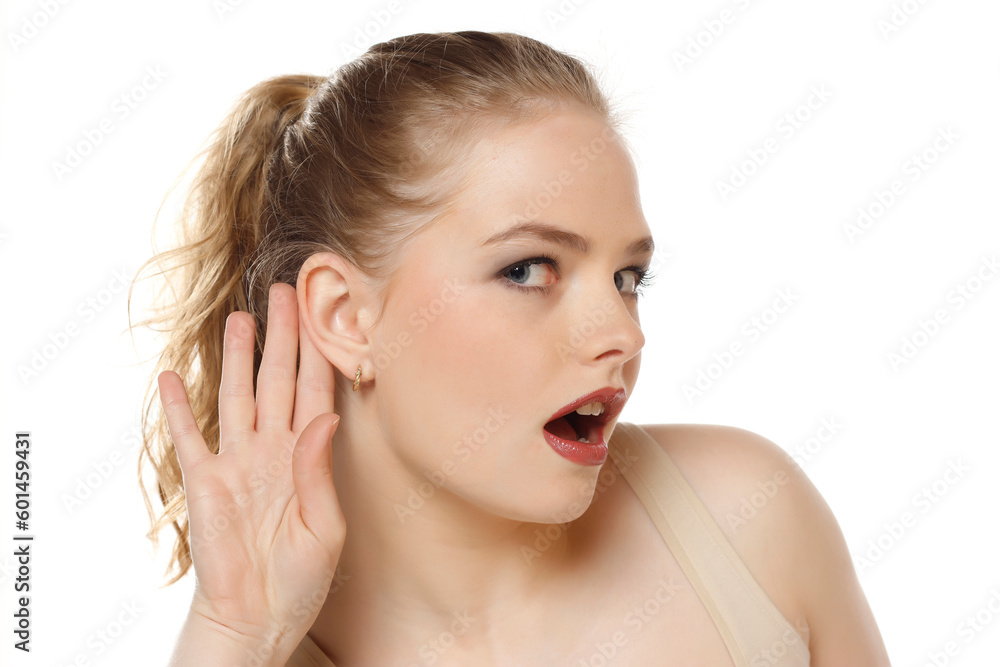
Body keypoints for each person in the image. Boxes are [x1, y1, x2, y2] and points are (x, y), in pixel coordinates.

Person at [133, 31, 891, 666]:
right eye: (528, 269)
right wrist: (232, 635)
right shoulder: (256, 645)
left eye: (628, 276)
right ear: (347, 316)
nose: (623, 333)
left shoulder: (747, 518)